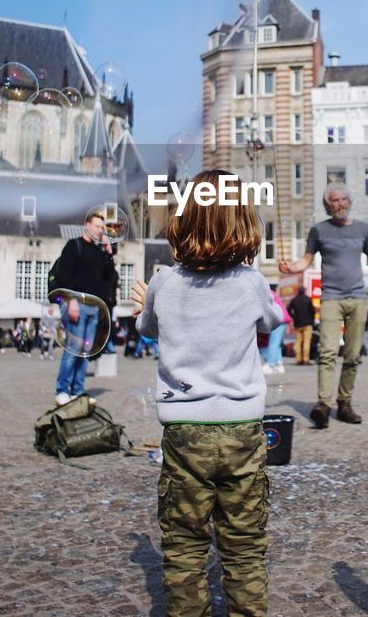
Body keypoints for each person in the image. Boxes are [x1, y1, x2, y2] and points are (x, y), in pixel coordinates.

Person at [129, 169, 282, 616]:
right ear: (242, 222)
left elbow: (147, 329)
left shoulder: (163, 282)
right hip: (242, 430)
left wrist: (144, 306)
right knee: (245, 547)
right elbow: (270, 322)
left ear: (184, 220)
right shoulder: (251, 283)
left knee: (184, 546)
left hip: (184, 431)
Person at [278, 183, 368, 427]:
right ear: (327, 205)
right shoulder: (319, 231)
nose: (339, 204)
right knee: (326, 352)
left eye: (343, 199)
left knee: (352, 355)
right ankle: (324, 405)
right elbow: (306, 260)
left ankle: (344, 403)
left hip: (357, 297)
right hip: (331, 298)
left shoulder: (362, 229)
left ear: (349, 201)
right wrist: (290, 268)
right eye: (334, 201)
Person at [52, 207, 119, 406]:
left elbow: (109, 277)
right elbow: (65, 275)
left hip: (93, 307)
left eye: (102, 227)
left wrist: (108, 253)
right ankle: (63, 389)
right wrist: (71, 300)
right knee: (73, 347)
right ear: (87, 225)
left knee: (86, 350)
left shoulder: (99, 252)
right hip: (77, 304)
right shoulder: (74, 246)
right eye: (97, 226)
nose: (100, 230)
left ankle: (78, 390)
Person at [263, 284, 290, 374]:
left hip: (279, 319)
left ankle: (270, 364)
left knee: (273, 342)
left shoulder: (267, 294)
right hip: (283, 318)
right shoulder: (272, 293)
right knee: (277, 343)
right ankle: (279, 364)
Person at [287, 286, 315, 366]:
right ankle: (306, 359)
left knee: (298, 342)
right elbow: (312, 311)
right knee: (306, 342)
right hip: (307, 324)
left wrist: (294, 316)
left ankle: (298, 359)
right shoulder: (308, 299)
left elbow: (288, 310)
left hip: (297, 324)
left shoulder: (294, 300)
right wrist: (311, 319)